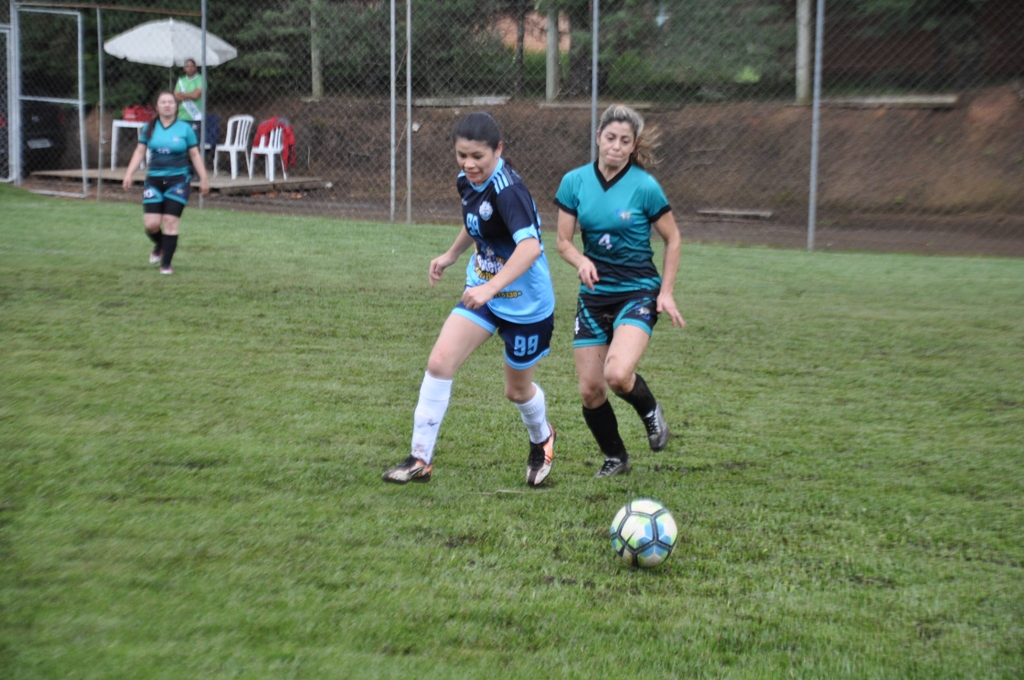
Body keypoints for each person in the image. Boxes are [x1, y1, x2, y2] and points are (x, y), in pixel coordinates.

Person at [383, 112, 557, 487]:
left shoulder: (509, 190)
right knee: (440, 362)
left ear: (499, 150)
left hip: (526, 305)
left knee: (517, 390)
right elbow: (476, 220)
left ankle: (542, 436)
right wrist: (451, 255)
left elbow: (529, 247)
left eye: (478, 155)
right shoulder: (467, 180)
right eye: (462, 155)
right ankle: (420, 458)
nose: (468, 164)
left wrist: (490, 287)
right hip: (484, 295)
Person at [554, 104, 685, 478]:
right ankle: (616, 457)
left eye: (624, 141)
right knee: (590, 391)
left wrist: (666, 292)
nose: (615, 146)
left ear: (633, 146)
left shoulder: (644, 186)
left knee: (617, 374)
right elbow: (563, 241)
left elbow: (673, 239)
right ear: (598, 138)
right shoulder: (575, 182)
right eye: (610, 137)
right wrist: (580, 261)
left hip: (637, 292)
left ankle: (649, 411)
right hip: (594, 297)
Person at [122, 90, 209, 275]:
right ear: (157, 106)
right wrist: (129, 173)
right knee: (151, 224)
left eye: (171, 102)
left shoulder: (185, 129)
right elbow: (139, 152)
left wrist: (204, 178)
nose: (167, 105)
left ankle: (166, 264)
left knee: (170, 221)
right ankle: (160, 245)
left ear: (176, 106)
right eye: (163, 102)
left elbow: (194, 154)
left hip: (178, 181)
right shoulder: (149, 127)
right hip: (154, 180)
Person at [174, 58, 204, 137]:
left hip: (195, 117)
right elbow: (176, 97)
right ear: (184, 68)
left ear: (195, 68)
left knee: (194, 142)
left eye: (192, 66)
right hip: (181, 117)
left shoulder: (201, 79)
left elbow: (196, 96)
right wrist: (190, 95)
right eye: (187, 66)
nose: (190, 68)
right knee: (181, 141)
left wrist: (183, 94)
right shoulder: (181, 80)